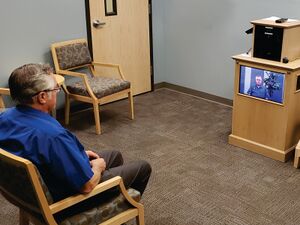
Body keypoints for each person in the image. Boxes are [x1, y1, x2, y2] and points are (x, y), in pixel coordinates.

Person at [0, 63, 151, 202]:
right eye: (55, 89)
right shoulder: (53, 135)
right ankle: (111, 210)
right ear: (42, 97)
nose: (57, 92)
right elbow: (86, 186)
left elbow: (33, 152)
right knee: (143, 168)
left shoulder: (4, 117)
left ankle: (110, 201)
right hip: (65, 200)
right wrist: (97, 168)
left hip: (31, 194)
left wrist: (78, 155)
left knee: (115, 155)